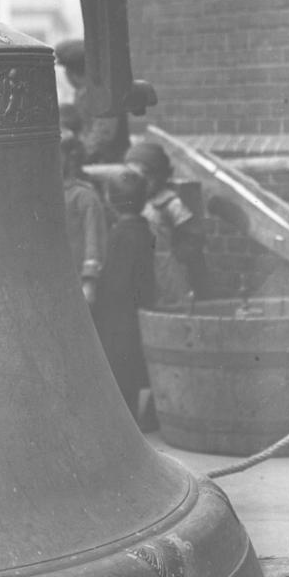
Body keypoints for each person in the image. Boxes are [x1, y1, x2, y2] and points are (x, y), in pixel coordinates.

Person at [92, 168, 156, 421]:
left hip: (119, 315)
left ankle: (127, 421)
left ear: (110, 200)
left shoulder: (120, 234)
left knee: (121, 367)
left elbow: (116, 281)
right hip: (139, 308)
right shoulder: (144, 230)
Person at [124, 141, 211, 305]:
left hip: (168, 269)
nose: (140, 185)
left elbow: (194, 235)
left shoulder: (169, 203)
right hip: (144, 266)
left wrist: (177, 257)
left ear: (159, 177)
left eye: (145, 178)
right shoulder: (135, 204)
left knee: (171, 302)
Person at [53, 39, 130, 163]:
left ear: (72, 73)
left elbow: (103, 136)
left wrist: (79, 157)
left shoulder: (101, 96)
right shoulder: (83, 93)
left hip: (109, 162)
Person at [60, 130, 107, 308]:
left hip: (76, 282)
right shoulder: (42, 193)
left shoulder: (84, 196)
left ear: (71, 158)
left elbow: (93, 241)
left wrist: (89, 282)